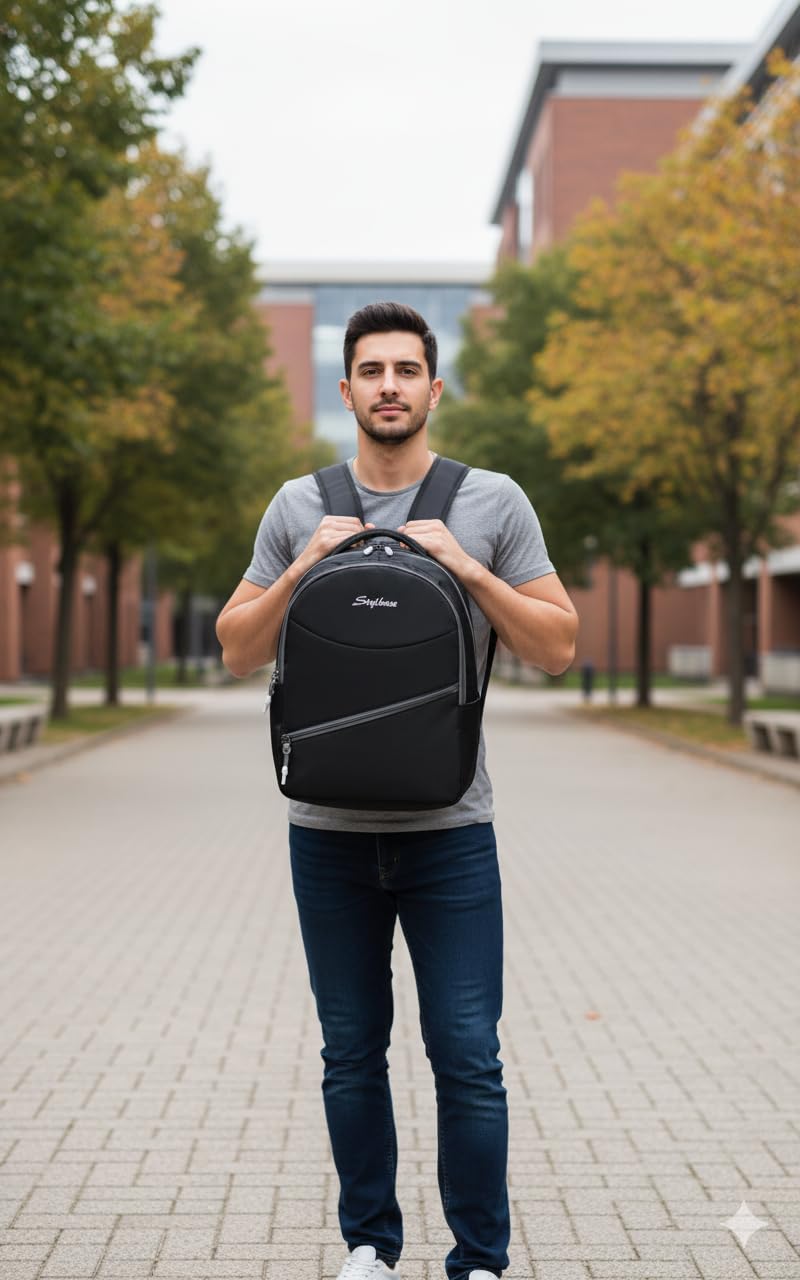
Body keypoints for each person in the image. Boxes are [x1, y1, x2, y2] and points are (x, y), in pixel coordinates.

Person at [216, 302, 578, 1280]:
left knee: (465, 1054)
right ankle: (369, 1245)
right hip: (325, 832)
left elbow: (555, 646)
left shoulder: (492, 502)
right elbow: (235, 644)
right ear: (345, 392)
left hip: (450, 830)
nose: (387, 385)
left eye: (404, 369)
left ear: (432, 386)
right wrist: (302, 563)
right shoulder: (299, 503)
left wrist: (462, 565)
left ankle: (480, 1258)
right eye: (369, 370)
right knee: (349, 1050)